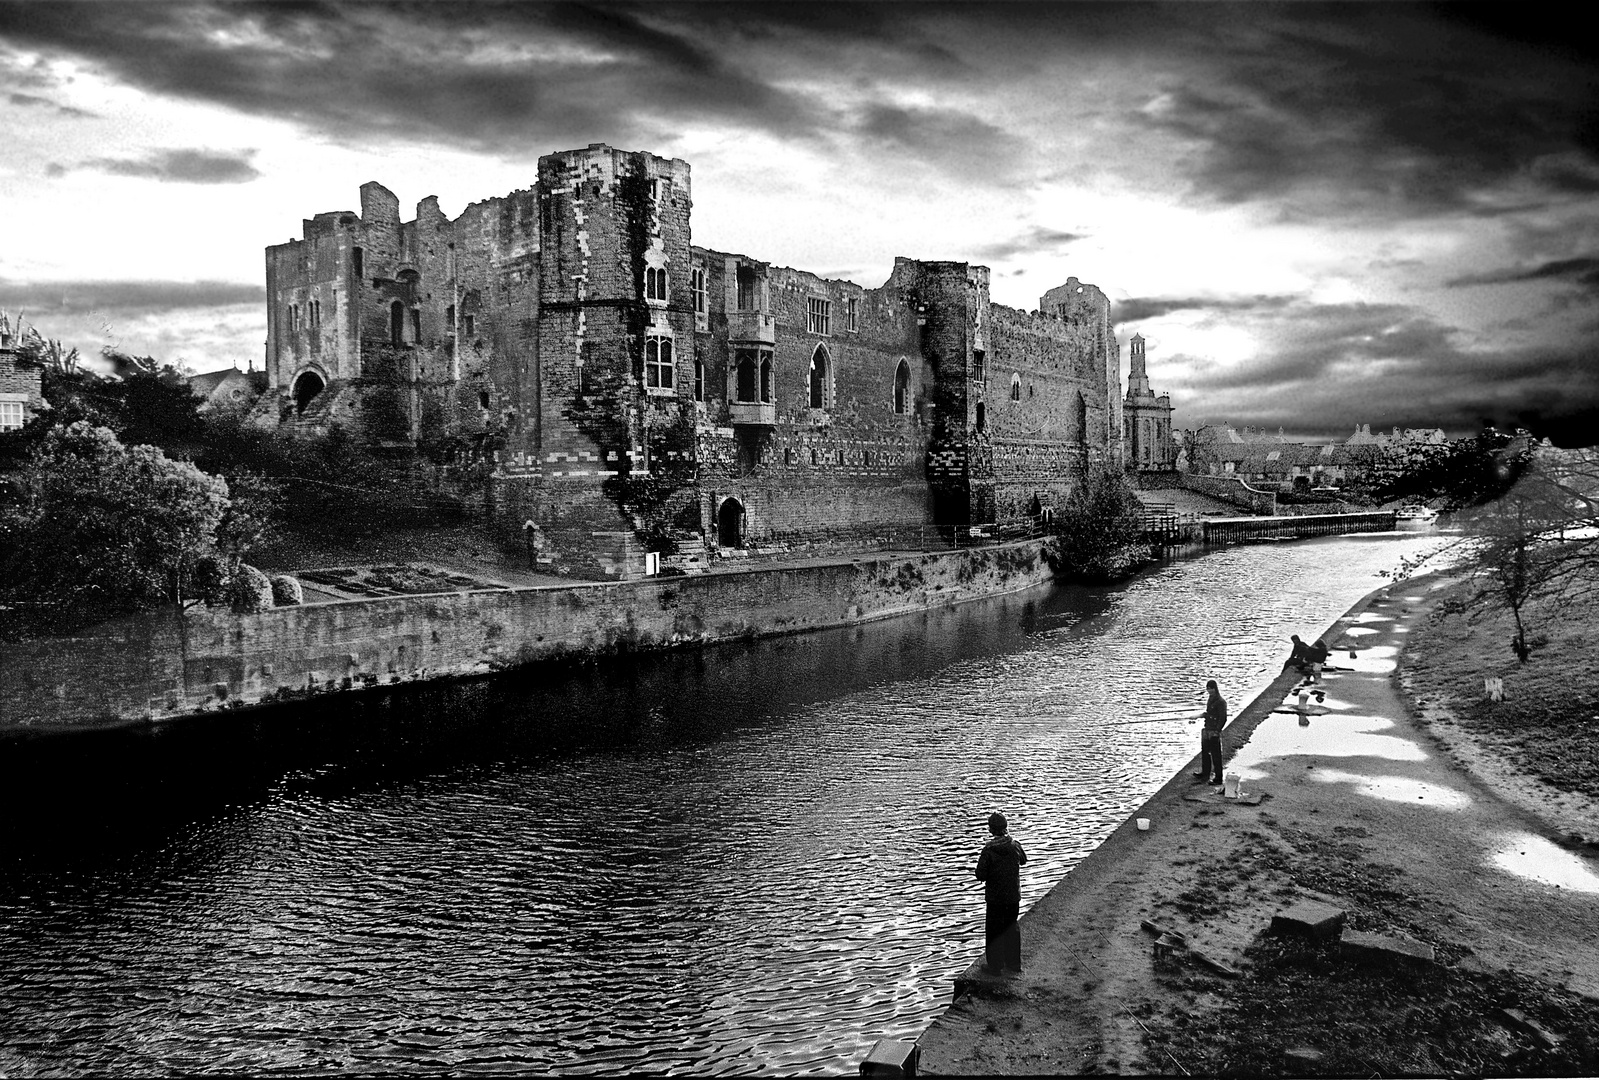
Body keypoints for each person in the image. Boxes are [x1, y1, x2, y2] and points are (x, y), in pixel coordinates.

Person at [974, 812, 1027, 974]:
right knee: (1011, 928)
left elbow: (980, 875)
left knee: (994, 931)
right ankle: (1014, 964)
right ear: (1006, 827)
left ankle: (995, 966)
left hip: (995, 898)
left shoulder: (988, 850)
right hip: (1013, 897)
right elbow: (1024, 860)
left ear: (991, 830)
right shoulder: (1015, 845)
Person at [1193, 679, 1227, 785]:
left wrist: (1217, 731)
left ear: (1215, 688)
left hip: (1214, 731)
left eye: (1211, 689)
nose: (1209, 691)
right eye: (1208, 689)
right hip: (1207, 729)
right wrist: (1198, 716)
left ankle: (1218, 778)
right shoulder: (1210, 698)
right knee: (1205, 753)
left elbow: (1223, 718)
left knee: (1216, 755)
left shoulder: (1221, 702)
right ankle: (1205, 773)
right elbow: (1208, 713)